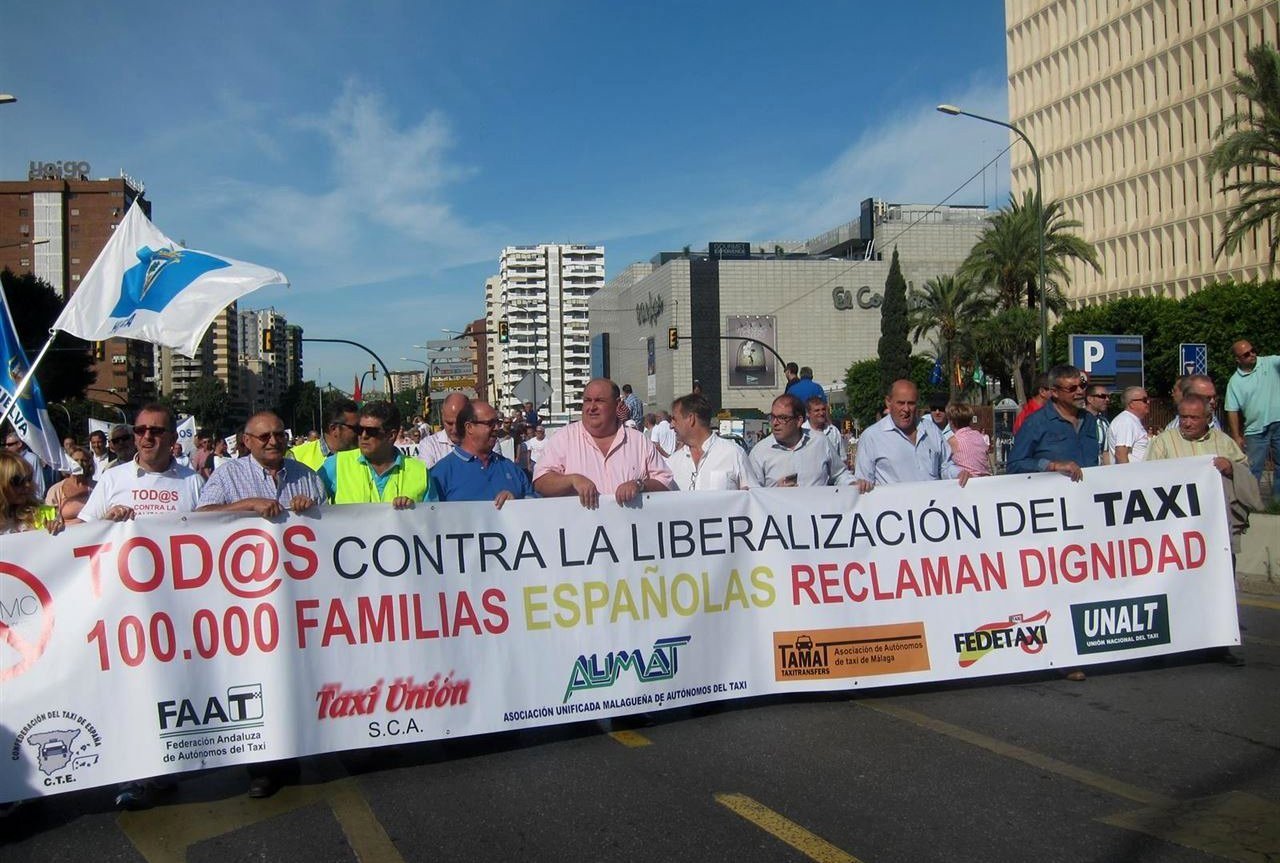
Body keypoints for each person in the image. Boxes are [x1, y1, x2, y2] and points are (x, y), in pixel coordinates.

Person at [533, 378, 673, 508]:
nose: (592, 407)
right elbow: (540, 482)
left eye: (599, 401)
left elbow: (666, 482)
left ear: (617, 404)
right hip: (579, 526)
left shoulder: (639, 442)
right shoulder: (563, 438)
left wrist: (640, 485)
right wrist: (572, 480)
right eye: (587, 400)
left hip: (630, 526)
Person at [77, 404, 204, 524]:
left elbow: (207, 530)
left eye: (156, 431)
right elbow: (86, 532)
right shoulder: (111, 478)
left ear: (173, 438)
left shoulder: (194, 481)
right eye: (140, 430)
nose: (147, 436)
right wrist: (105, 522)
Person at [198, 411, 326, 519]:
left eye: (279, 435)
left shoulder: (308, 476)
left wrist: (312, 511)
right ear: (247, 441)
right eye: (264, 437)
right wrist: (248, 505)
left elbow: (327, 521)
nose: (273, 442)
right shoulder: (227, 474)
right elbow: (200, 516)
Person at [852, 381, 967, 492]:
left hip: (932, 504)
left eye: (911, 403)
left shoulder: (932, 430)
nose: (906, 409)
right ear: (888, 402)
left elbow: (945, 466)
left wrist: (958, 474)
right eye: (901, 403)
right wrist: (861, 484)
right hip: (894, 505)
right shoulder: (872, 436)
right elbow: (864, 480)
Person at [320, 401, 429, 508]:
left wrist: (414, 510)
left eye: (371, 431)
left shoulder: (420, 472)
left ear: (391, 435)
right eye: (359, 430)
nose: (363, 436)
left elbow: (432, 514)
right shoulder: (337, 464)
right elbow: (314, 500)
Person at [429, 400, 535, 507]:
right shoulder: (440, 474)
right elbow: (429, 513)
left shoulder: (511, 468)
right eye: (490, 423)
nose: (497, 428)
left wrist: (517, 502)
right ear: (469, 427)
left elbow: (536, 503)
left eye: (497, 423)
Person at [1006, 364, 1099, 481]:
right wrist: (1052, 466)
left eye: (1082, 385)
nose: (1080, 391)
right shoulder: (1036, 422)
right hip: (1053, 491)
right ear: (1055, 392)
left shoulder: (1089, 420)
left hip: (1089, 490)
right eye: (1072, 388)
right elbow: (1014, 465)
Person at [751, 394, 852, 487]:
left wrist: (852, 484)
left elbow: (840, 474)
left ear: (799, 421)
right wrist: (775, 491)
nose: (775, 423)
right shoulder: (759, 452)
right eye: (773, 417)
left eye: (782, 418)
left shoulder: (820, 441)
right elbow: (752, 493)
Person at [1225, 339, 1280, 502]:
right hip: (1255, 430)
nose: (1252, 355)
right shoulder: (1235, 382)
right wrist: (1236, 436)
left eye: (1253, 350)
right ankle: (1250, 503)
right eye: (1246, 354)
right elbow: (1232, 410)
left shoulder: (1269, 363)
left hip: (1278, 422)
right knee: (1253, 470)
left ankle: (1277, 503)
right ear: (1238, 359)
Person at [667, 393, 753, 490]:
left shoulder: (734, 454)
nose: (671, 426)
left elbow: (753, 494)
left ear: (691, 419)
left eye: (674, 419)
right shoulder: (672, 463)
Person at [289, 399, 359, 471]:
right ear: (334, 429)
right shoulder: (296, 456)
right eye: (356, 428)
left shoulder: (361, 456)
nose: (361, 433)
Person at [0, 450, 61, 534]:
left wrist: (58, 526)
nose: (27, 485)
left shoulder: (43, 514)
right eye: (17, 480)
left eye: (29, 478)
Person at [418, 392, 469, 467]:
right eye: (449, 423)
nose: (455, 429)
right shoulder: (429, 445)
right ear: (442, 416)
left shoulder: (482, 443)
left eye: (460, 423)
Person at [45, 447, 96, 522]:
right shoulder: (55, 490)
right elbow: (51, 520)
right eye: (75, 460)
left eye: (84, 461)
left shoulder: (96, 487)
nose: (79, 464)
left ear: (89, 464)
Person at [946, 404, 991, 477]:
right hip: (985, 478)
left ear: (951, 422)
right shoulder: (978, 435)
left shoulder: (953, 441)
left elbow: (942, 465)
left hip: (967, 479)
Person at [1111, 386, 1151, 463]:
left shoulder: (1131, 420)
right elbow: (1121, 454)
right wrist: (1127, 471)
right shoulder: (1126, 421)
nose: (1148, 402)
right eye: (1144, 400)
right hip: (1132, 470)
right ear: (1132, 404)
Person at [803, 395, 847, 465]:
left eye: (823, 409)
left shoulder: (833, 431)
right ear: (808, 413)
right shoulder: (802, 432)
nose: (821, 413)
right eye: (817, 410)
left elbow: (842, 458)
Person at [3, 433, 46, 498]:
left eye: (10, 445)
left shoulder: (32, 458)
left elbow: (39, 482)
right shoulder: (7, 461)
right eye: (5, 445)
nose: (6, 447)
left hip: (30, 499)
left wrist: (36, 500)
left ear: (19, 444)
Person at [1084, 382, 1113, 465]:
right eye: (1102, 396)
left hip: (1099, 469)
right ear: (1089, 399)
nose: (1107, 400)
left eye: (1108, 397)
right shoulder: (1078, 420)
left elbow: (1105, 452)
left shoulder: (1104, 422)